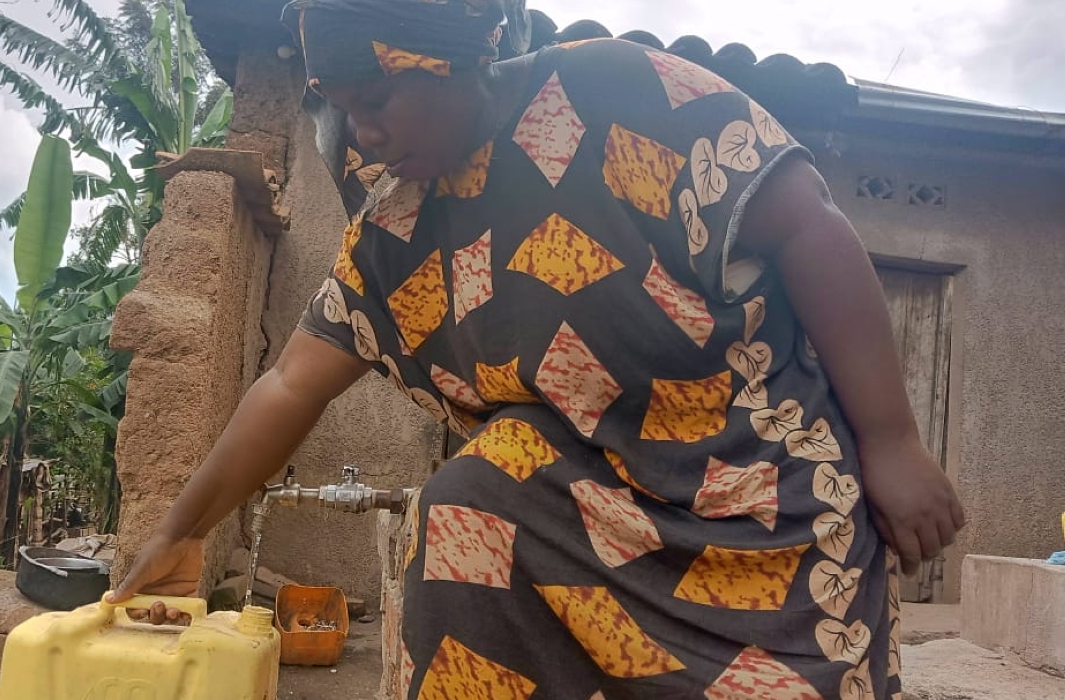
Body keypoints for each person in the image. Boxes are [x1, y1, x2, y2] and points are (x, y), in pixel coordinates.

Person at [110, 0, 965, 697]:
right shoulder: (395, 233)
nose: (361, 131)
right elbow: (294, 380)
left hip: (761, 508)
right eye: (339, 104)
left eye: (377, 97)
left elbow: (809, 221)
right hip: (589, 521)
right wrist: (182, 527)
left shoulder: (615, 92)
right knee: (467, 498)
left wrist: (892, 440)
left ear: (453, 55)